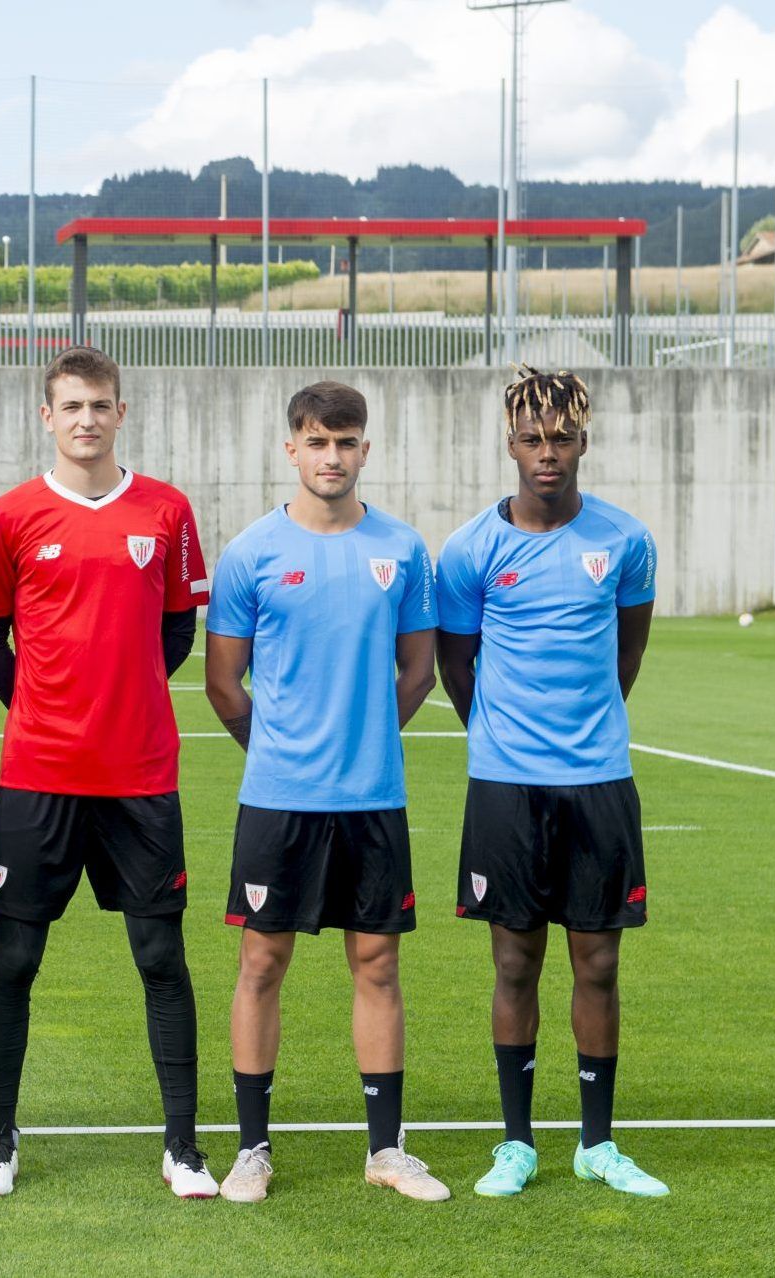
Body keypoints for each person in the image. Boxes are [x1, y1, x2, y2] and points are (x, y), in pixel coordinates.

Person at [0, 346, 216, 1199]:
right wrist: (42, 706)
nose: (86, 419)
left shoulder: (167, 510)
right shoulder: (10, 515)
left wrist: (124, 699)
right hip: (38, 775)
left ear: (120, 412)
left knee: (160, 955)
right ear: (47, 416)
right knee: (14, 958)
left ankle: (183, 1146)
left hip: (140, 775)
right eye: (71, 406)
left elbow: (177, 631)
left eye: (100, 405)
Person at [203, 380, 447, 1204]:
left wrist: (366, 738)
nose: (331, 456)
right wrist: (281, 751)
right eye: (316, 441)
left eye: (345, 442)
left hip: (372, 797)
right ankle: (251, 1150)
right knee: (261, 961)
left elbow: (419, 669)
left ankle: (387, 1151)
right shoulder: (251, 553)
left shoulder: (402, 549)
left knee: (377, 963)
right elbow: (224, 683)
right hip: (279, 799)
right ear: (292, 449)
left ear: (364, 449)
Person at [436, 366, 666, 1199]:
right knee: (514, 962)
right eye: (533, 439)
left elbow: (627, 654)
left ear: (583, 442)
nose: (548, 454)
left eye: (562, 438)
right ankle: (517, 1144)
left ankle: (597, 1145)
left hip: (599, 782)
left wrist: (583, 734)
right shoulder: (470, 549)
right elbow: (457, 666)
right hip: (505, 785)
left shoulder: (626, 541)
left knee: (598, 963)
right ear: (511, 443)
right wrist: (504, 740)